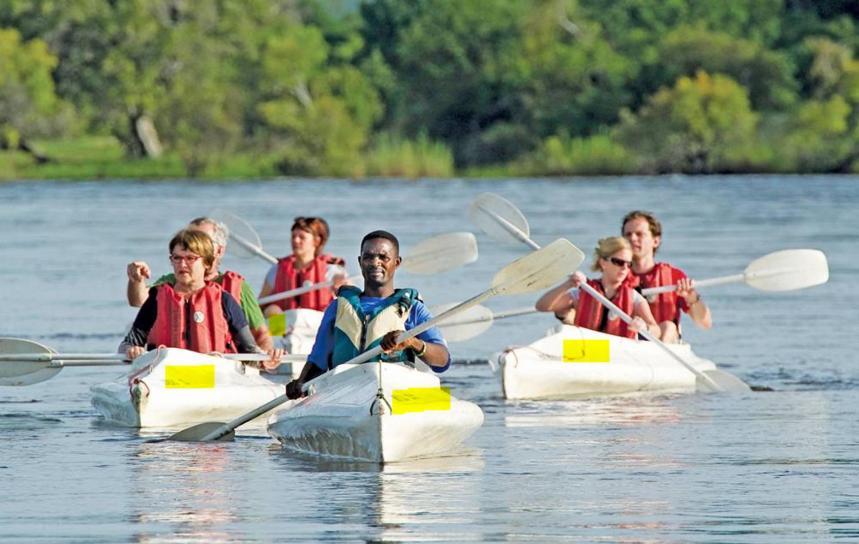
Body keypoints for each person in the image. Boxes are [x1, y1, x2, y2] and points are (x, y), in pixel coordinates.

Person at [284, 230, 450, 399]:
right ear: (360, 262)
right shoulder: (337, 307)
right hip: (345, 393)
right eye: (368, 257)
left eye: (383, 257)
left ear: (396, 262)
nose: (375, 263)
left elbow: (443, 361)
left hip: (396, 394)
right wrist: (301, 383)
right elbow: (318, 361)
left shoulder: (413, 309)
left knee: (436, 396)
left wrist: (412, 342)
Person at [119, 229, 282, 363]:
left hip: (213, 376)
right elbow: (126, 344)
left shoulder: (225, 300)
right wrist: (132, 351)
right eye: (176, 258)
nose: (182, 264)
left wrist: (268, 358)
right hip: (167, 377)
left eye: (190, 258)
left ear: (207, 263)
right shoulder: (157, 297)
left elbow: (251, 351)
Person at [534, 236, 660, 339]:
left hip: (619, 354)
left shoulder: (634, 298)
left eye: (628, 264)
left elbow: (656, 330)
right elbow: (542, 306)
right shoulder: (584, 292)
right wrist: (568, 284)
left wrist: (644, 327)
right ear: (603, 262)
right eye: (619, 262)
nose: (624, 268)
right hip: (588, 352)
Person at [621, 210, 711, 343]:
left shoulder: (673, 277)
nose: (633, 238)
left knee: (668, 327)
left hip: (665, 343)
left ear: (655, 241)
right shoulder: (616, 274)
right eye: (628, 234)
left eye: (639, 234)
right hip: (628, 342)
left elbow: (704, 323)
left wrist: (691, 297)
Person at [258, 217, 348, 316]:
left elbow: (352, 300)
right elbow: (260, 304)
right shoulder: (276, 270)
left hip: (318, 325)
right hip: (285, 327)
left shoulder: (332, 271)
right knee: (272, 310)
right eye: (293, 236)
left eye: (302, 237)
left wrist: (342, 287)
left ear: (317, 241)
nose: (296, 240)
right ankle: (280, 330)